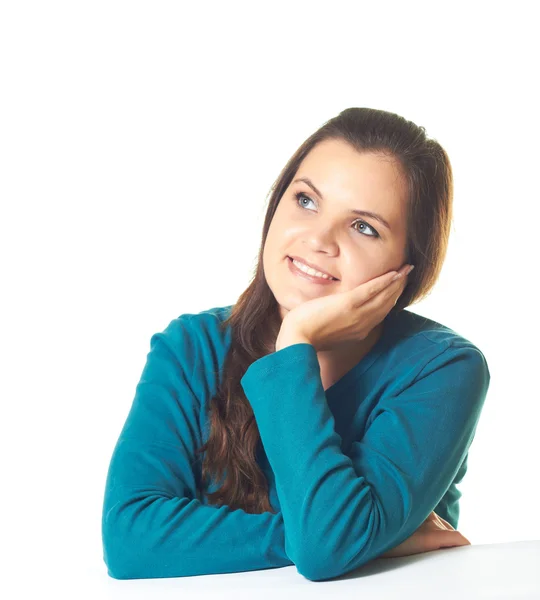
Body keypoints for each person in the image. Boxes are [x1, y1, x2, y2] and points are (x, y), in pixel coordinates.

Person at [101, 107, 490, 581]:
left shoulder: (443, 369)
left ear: (409, 266)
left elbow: (326, 550)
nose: (318, 239)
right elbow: (128, 538)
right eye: (306, 200)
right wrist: (346, 536)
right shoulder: (191, 347)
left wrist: (295, 344)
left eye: (364, 227)